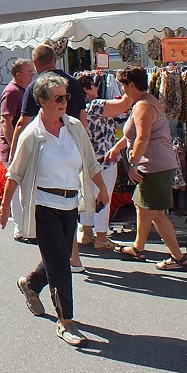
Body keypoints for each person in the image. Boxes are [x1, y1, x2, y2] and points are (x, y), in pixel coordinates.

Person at [0, 72, 109, 348]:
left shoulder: (73, 127)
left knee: (56, 258)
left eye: (66, 97)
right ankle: (66, 322)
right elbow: (15, 173)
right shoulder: (32, 135)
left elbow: (91, 163)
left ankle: (31, 284)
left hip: (71, 204)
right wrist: (4, 206)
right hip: (44, 206)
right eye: (58, 98)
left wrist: (102, 189)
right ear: (42, 101)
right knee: (61, 266)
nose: (64, 103)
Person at [106, 67, 187, 270]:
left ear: (131, 85)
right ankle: (138, 247)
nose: (123, 91)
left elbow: (142, 137)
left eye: (124, 87)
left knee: (156, 213)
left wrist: (133, 163)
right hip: (157, 164)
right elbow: (133, 135)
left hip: (153, 166)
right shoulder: (148, 101)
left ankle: (178, 257)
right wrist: (117, 148)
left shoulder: (143, 106)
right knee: (142, 206)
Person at [76, 73, 132, 251]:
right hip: (103, 159)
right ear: (86, 89)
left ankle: (86, 232)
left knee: (87, 194)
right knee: (103, 196)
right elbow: (123, 105)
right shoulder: (95, 106)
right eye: (93, 85)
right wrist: (130, 88)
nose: (97, 87)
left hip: (86, 158)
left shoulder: (78, 108)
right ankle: (101, 236)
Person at [0, 59, 35, 240]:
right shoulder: (12, 92)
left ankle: (25, 227)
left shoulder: (21, 91)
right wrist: (16, 147)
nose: (33, 75)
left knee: (24, 188)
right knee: (17, 190)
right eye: (30, 72)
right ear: (19, 75)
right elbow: (6, 121)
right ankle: (20, 229)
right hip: (15, 150)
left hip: (21, 148)